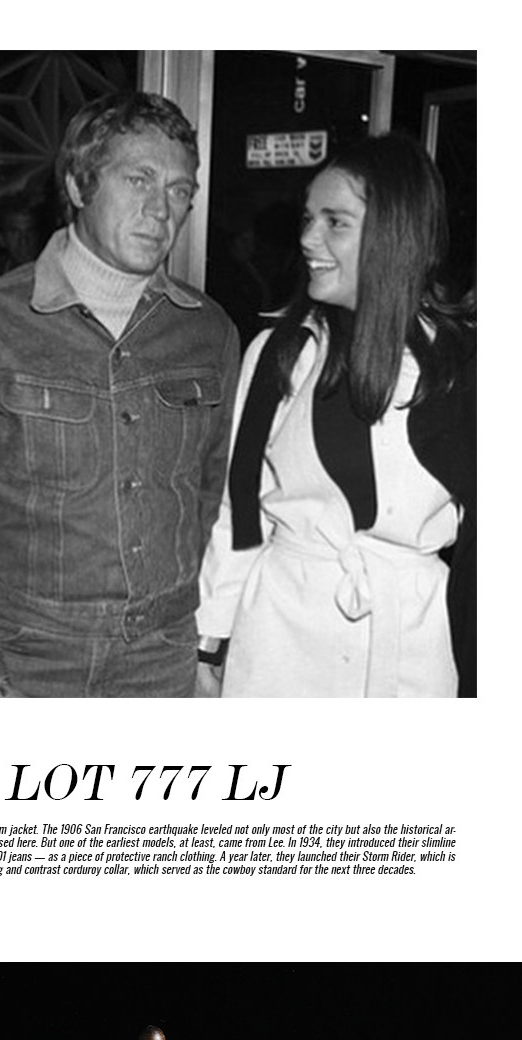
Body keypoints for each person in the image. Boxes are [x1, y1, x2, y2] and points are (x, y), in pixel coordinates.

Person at [0, 94, 238, 698]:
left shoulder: (208, 332)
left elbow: (218, 498)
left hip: (166, 655)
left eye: (180, 190)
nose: (161, 209)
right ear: (78, 185)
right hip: (28, 658)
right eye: (138, 180)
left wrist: (209, 644)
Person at [198, 130, 476, 699]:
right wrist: (208, 643)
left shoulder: (461, 362)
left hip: (417, 638)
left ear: (394, 234)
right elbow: (240, 512)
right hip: (281, 637)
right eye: (308, 219)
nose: (307, 239)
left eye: (335, 222)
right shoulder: (281, 352)